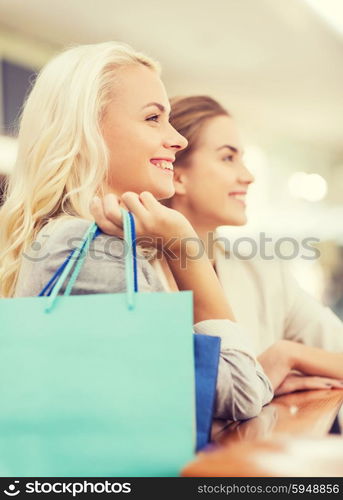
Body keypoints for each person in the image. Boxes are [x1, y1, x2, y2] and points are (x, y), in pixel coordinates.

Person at [0, 42, 273, 420]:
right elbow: (242, 392)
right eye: (153, 118)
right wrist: (183, 247)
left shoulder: (100, 242)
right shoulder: (85, 247)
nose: (177, 138)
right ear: (88, 131)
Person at [93, 95, 343, 396]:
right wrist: (259, 381)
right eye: (228, 158)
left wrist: (288, 354)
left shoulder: (263, 273)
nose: (248, 176)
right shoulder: (129, 273)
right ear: (177, 174)